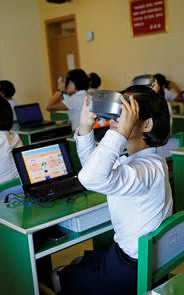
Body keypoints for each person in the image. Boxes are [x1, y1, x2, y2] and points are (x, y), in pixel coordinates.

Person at [53, 89, 173, 294]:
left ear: (147, 124)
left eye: (126, 113)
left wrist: (119, 134)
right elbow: (94, 167)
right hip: (141, 260)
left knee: (59, 273)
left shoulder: (145, 170)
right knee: (81, 261)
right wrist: (84, 128)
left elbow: (90, 178)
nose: (115, 118)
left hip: (131, 270)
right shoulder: (148, 161)